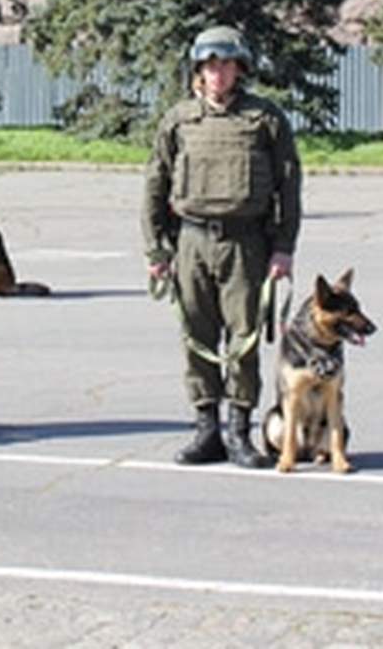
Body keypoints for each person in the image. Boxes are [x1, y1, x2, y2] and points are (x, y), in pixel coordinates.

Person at [142, 25, 299, 469]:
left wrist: (283, 248)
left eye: (227, 65)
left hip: (246, 243)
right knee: (197, 336)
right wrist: (157, 250)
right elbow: (155, 185)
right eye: (211, 65)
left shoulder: (265, 119)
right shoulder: (179, 120)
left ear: (240, 69)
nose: (219, 73)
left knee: (244, 338)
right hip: (191, 240)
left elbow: (289, 186)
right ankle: (206, 428)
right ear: (198, 70)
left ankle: (239, 430)